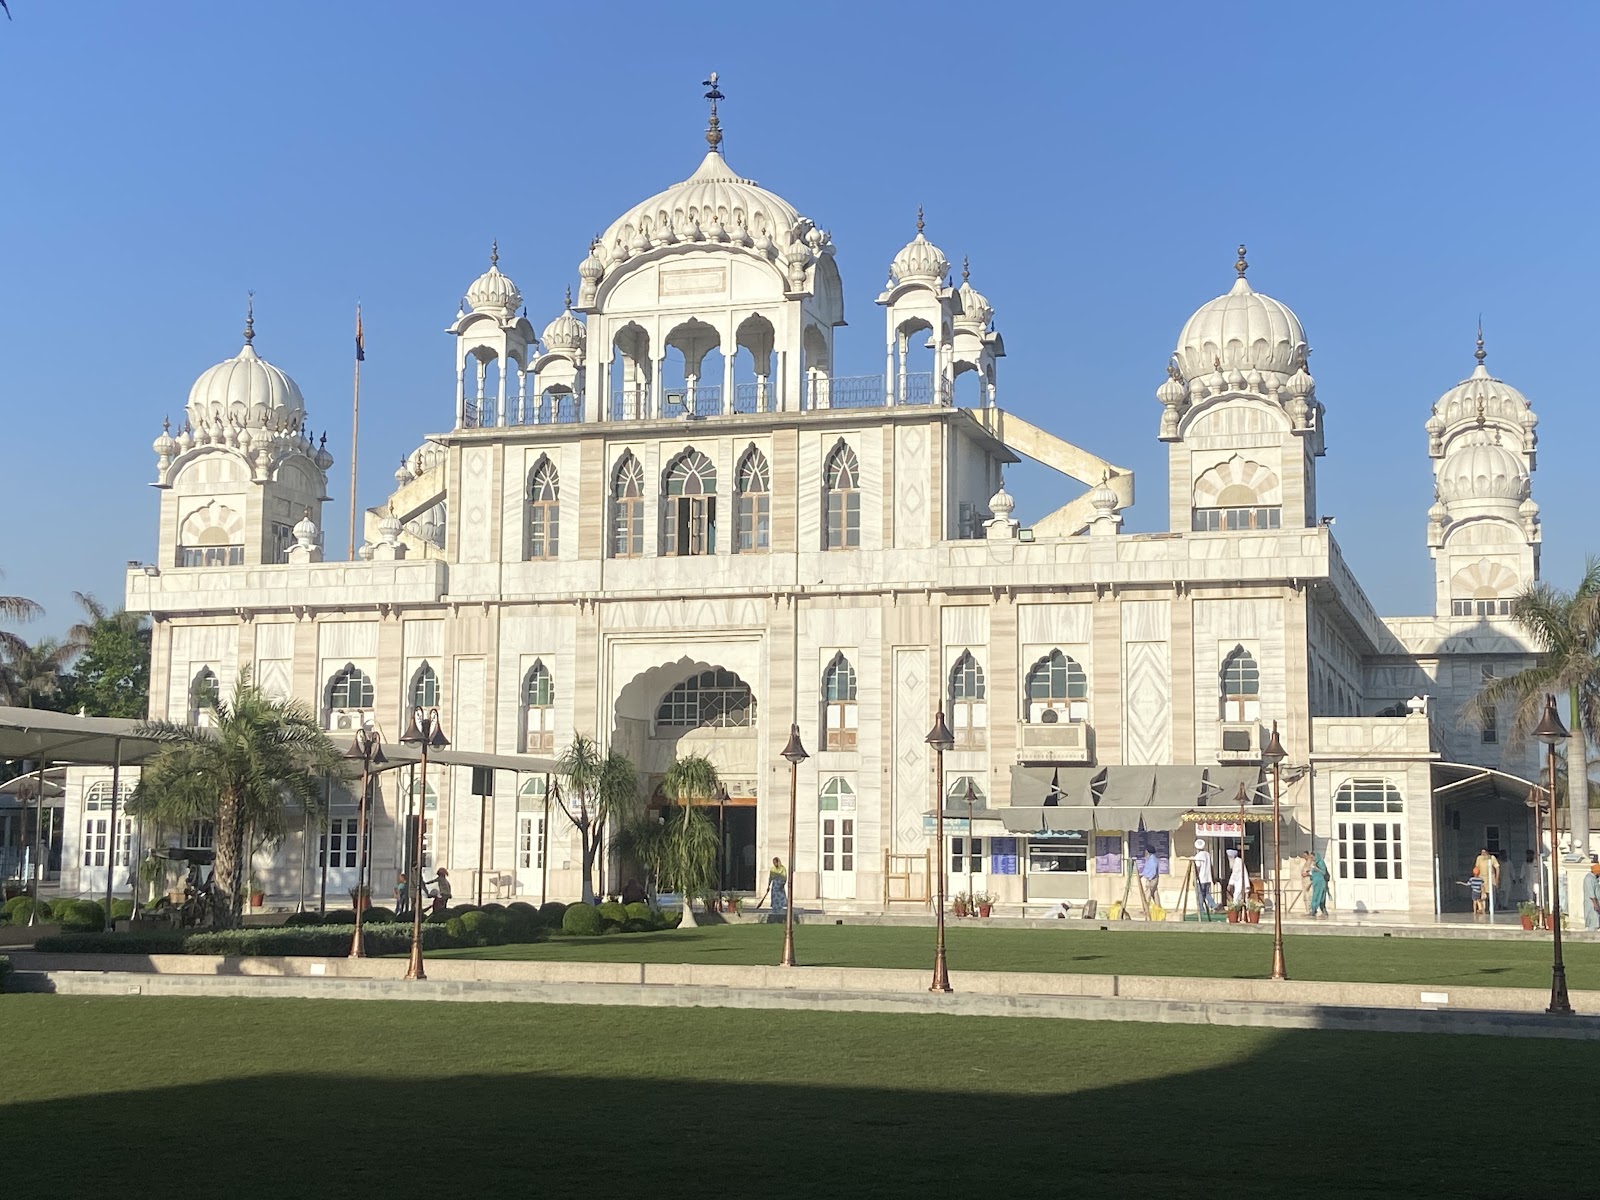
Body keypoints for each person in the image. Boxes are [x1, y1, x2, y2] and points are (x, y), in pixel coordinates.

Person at [1301, 850, 1330, 918]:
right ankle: (1317, 911)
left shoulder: (1320, 862)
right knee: (1316, 897)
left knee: (1320, 897)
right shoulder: (1315, 863)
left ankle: (1316, 911)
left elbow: (1323, 872)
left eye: (1313, 857)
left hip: (1321, 883)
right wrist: (1309, 874)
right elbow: (1314, 874)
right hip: (1316, 882)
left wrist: (1316, 868)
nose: (1312, 859)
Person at [1192, 839, 1215, 914]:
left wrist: (1195, 878)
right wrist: (1213, 877)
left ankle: (1201, 910)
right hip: (1208, 878)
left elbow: (1198, 868)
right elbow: (1211, 866)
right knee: (1207, 893)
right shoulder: (1207, 854)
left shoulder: (1198, 856)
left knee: (1200, 895)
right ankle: (1213, 905)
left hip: (1201, 879)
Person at [1584, 858, 1600, 932]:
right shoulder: (1589, 878)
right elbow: (1591, 893)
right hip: (1592, 904)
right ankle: (1591, 937)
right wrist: (1595, 904)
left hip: (1596, 903)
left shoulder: (1594, 878)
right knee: (1593, 922)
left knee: (1596, 921)